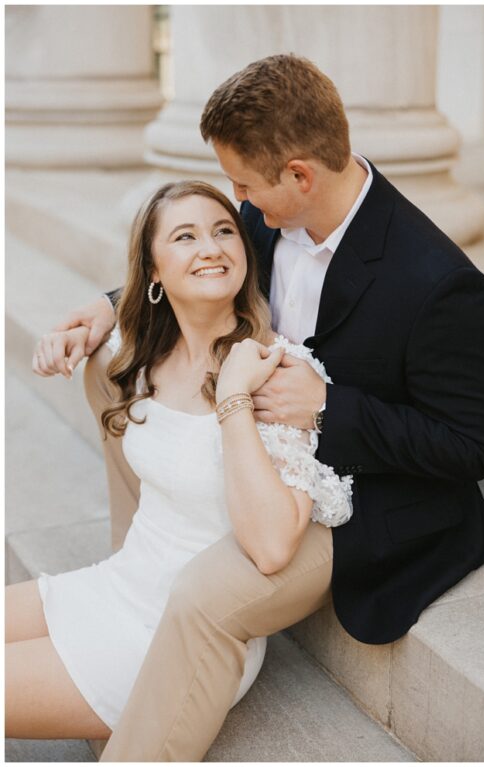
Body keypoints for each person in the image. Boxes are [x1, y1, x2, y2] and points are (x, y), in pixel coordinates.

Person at [31, 54, 484, 760]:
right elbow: (197, 261)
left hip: (352, 491)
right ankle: (131, 576)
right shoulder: (268, 216)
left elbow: (471, 446)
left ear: (299, 175)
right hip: (259, 453)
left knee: (201, 595)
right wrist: (110, 309)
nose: (236, 200)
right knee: (113, 373)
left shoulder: (438, 282)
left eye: (245, 184)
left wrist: (329, 407)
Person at [10, 180, 352, 739]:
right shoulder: (148, 354)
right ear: (151, 271)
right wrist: (73, 331)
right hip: (115, 586)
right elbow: (101, 339)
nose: (211, 248)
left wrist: (235, 400)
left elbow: (271, 547)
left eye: (223, 232)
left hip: (172, 638)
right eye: (185, 237)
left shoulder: (274, 369)